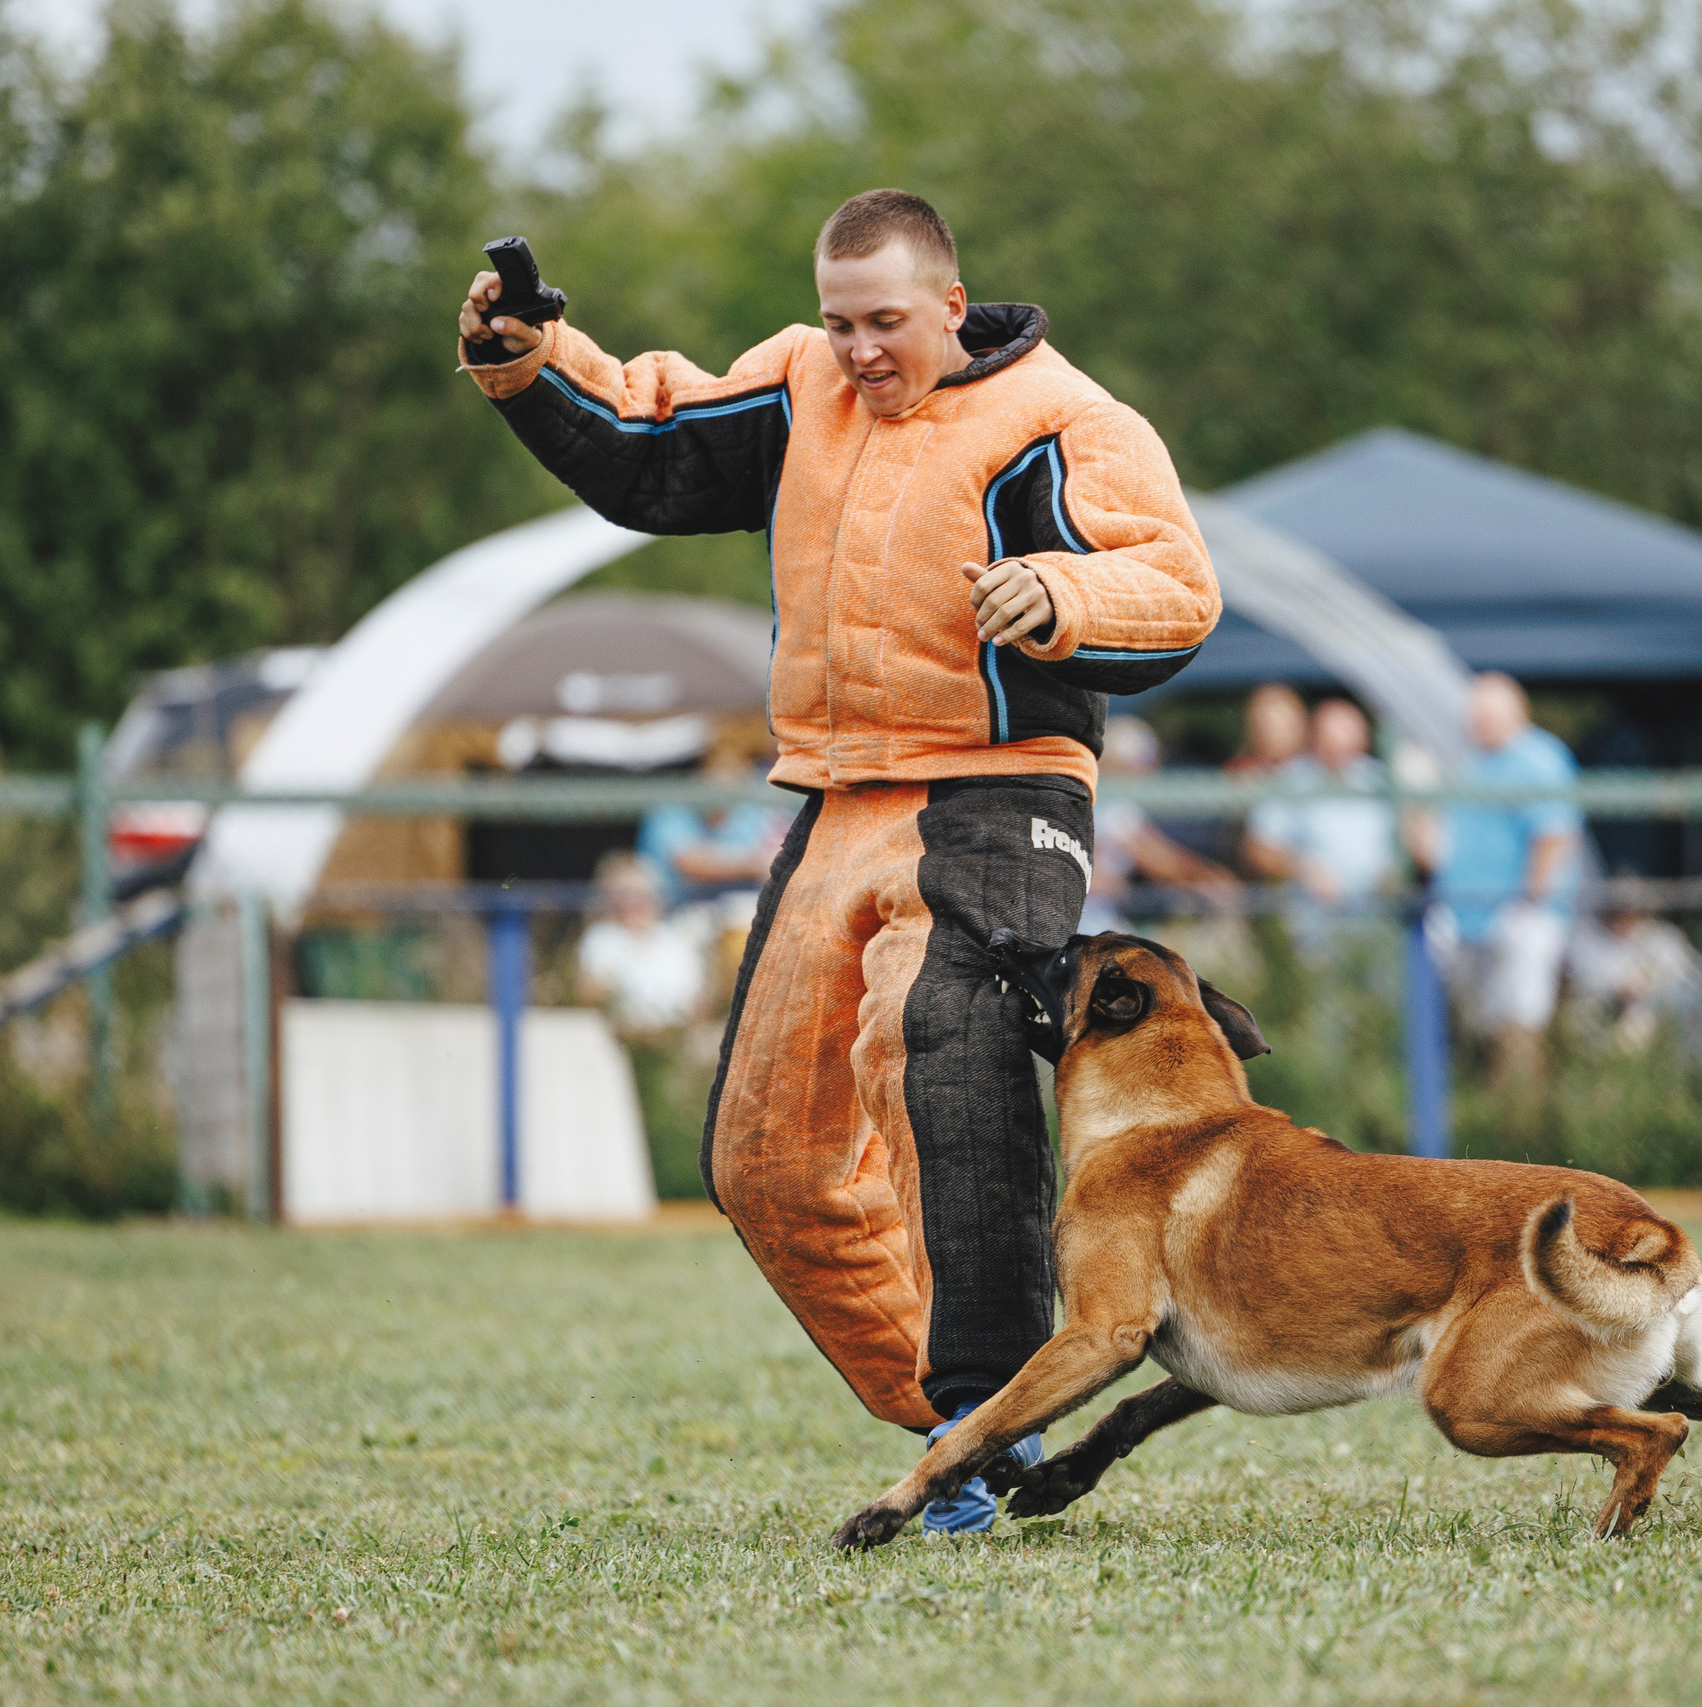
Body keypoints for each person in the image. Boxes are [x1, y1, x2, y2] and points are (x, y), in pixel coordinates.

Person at [460, 189, 1221, 1533]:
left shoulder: (1066, 421)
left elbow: (1177, 582)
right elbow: (654, 445)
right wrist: (531, 359)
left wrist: (1064, 597)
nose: (860, 349)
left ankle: (979, 1419)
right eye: (837, 320)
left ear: (947, 301)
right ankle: (960, 1422)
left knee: (934, 1045)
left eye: (883, 322)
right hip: (830, 794)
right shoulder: (803, 383)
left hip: (999, 783)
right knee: (765, 1156)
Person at [1414, 673, 1580, 1088]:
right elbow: (1438, 844)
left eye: (1488, 714)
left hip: (1520, 915)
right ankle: (1494, 1111)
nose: (1479, 722)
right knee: (1486, 1028)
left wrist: (1527, 904)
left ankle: (1519, 1112)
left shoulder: (1539, 758)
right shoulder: (1471, 763)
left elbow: (1554, 835)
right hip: (1469, 920)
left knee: (1520, 1022)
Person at [1080, 716, 1237, 934]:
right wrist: (1210, 880)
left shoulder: (1105, 801)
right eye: (1136, 762)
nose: (1146, 770)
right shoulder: (1111, 804)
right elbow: (1161, 861)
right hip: (1087, 925)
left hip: (1091, 920)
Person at [1243, 696, 1396, 909]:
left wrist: (1393, 875)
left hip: (1379, 916)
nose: (1339, 749)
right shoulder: (1291, 781)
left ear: (1362, 739)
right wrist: (1302, 869)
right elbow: (1260, 846)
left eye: (1347, 740)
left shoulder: (1381, 780)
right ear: (1315, 738)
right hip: (1313, 921)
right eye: (1331, 741)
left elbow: (1405, 842)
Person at [636, 744, 789, 907]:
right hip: (673, 912)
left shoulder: (748, 813)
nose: (723, 791)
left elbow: (778, 854)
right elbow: (691, 865)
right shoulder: (670, 812)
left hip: (739, 911)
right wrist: (753, 864)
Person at [577, 854, 712, 1034]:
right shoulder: (600, 939)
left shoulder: (677, 937)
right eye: (624, 895)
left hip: (678, 1036)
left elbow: (701, 999)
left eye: (640, 893)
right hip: (623, 1036)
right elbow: (592, 995)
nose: (633, 902)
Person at [1566, 898, 1702, 1052]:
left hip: (1657, 1011)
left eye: (1627, 910)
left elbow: (1689, 983)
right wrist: (1619, 989)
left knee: (1639, 1024)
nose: (1621, 915)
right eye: (1616, 909)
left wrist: (1648, 986)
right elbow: (1584, 983)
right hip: (1609, 1010)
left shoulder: (1663, 939)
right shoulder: (1589, 936)